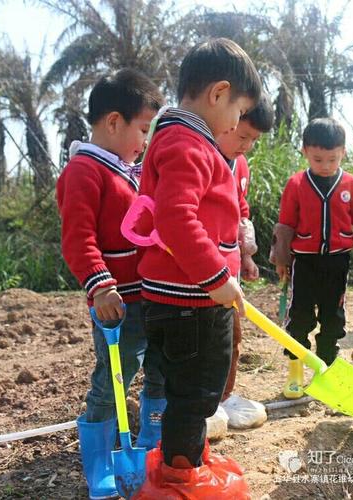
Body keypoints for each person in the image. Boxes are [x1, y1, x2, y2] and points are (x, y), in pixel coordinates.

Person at [133, 38, 260, 498]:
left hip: (185, 297)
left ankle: (190, 456)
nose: (236, 122)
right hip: (190, 299)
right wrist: (216, 278)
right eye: (239, 111)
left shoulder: (183, 138)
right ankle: (180, 477)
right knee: (194, 392)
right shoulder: (187, 144)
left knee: (193, 390)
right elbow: (176, 217)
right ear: (219, 94)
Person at [55, 68, 165, 499]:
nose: (145, 141)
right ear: (113, 122)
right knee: (115, 375)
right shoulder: (85, 171)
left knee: (158, 366)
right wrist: (100, 286)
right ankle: (100, 461)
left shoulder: (130, 169)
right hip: (115, 302)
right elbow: (78, 239)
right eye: (142, 129)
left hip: (152, 293)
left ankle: (152, 444)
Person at [270, 117, 353, 399]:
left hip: (337, 262)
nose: (326, 165)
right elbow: (285, 226)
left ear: (343, 152)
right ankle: (295, 371)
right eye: (318, 159)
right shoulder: (296, 184)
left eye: (332, 159)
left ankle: (326, 371)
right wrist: (282, 261)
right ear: (305, 151)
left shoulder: (352, 185)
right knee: (300, 316)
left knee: (333, 317)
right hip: (304, 263)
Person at [216, 94, 275, 429]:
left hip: (231, 272)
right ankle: (200, 403)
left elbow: (241, 210)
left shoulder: (240, 164)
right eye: (242, 136)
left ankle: (224, 397)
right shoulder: (203, 156)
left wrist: (246, 256)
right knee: (202, 342)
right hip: (202, 276)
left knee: (232, 338)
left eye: (254, 140)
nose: (247, 146)